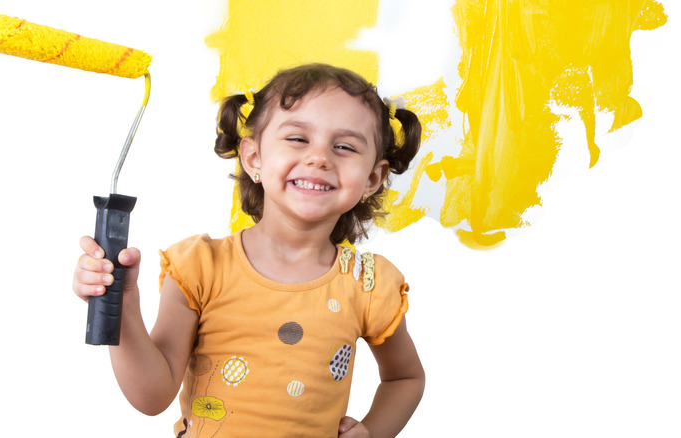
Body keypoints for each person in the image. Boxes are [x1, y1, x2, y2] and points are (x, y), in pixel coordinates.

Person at [73, 63, 425, 438]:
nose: (320, 157)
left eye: (344, 146)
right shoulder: (199, 268)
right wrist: (124, 309)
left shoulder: (367, 284)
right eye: (297, 139)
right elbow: (152, 396)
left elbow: (405, 378)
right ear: (254, 157)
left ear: (372, 177)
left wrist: (372, 432)